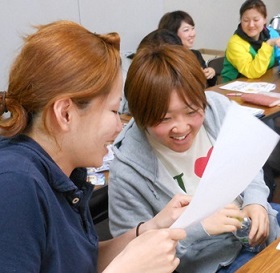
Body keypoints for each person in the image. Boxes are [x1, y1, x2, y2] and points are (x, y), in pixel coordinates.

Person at [0, 20, 191, 273]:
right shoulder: (15, 185)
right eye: (113, 110)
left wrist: (149, 229)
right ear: (65, 113)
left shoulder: (63, 174)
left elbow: (79, 263)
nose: (119, 126)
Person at [108, 44, 280, 273]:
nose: (181, 128)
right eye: (164, 119)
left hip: (254, 227)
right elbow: (136, 257)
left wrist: (256, 201)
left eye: (192, 111)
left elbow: (248, 161)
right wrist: (199, 229)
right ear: (141, 115)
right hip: (208, 261)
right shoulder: (127, 169)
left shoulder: (217, 107)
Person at [221, 0, 280, 83]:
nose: (251, 25)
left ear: (264, 20)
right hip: (234, 87)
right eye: (246, 20)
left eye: (256, 20)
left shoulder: (271, 34)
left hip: (262, 83)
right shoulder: (235, 43)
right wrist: (268, 45)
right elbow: (252, 72)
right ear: (241, 20)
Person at [158, 10, 217, 87]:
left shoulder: (196, 55)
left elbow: (208, 85)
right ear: (172, 34)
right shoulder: (164, 60)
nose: (192, 34)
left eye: (192, 28)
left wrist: (211, 73)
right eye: (186, 30)